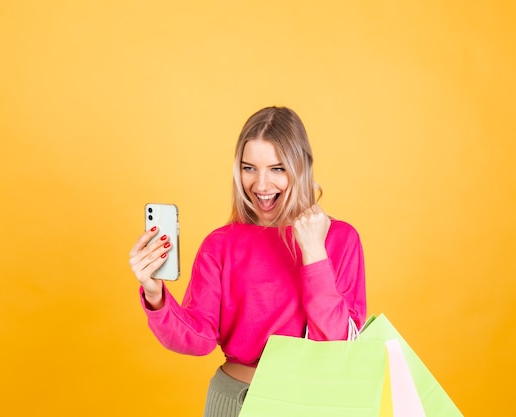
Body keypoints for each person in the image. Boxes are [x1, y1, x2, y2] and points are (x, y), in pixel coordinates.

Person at [129, 106, 367, 417]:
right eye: (249, 168)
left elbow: (337, 343)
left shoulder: (339, 239)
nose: (261, 185)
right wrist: (154, 293)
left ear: (302, 167)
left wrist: (313, 253)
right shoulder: (220, 244)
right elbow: (199, 340)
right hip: (232, 402)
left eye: (278, 169)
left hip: (307, 405)